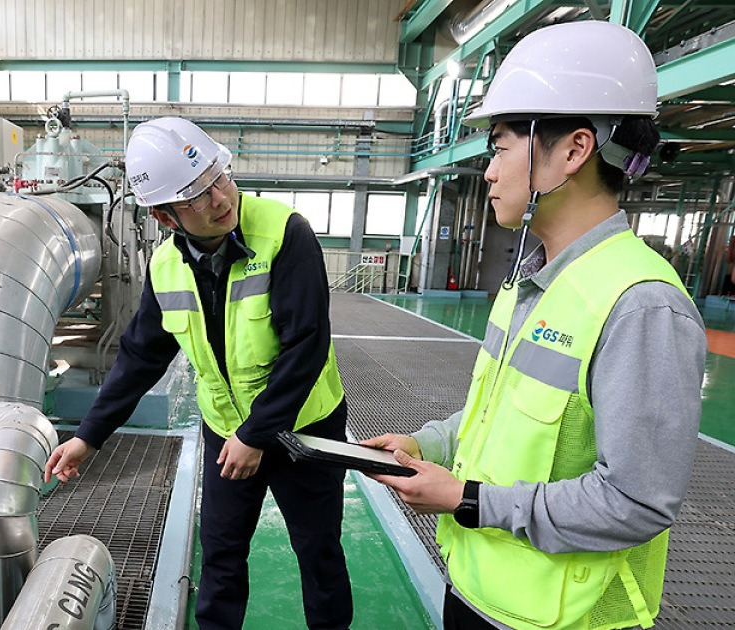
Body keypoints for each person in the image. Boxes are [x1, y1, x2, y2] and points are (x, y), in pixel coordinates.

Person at [363, 21, 707, 630]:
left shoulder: (641, 303)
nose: (489, 171)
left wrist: (467, 501)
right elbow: (495, 419)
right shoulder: (529, 279)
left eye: (499, 147)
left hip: (563, 617)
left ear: (574, 150)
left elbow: (635, 501)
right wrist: (429, 445)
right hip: (477, 585)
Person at [44, 117, 354, 629]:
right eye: (197, 194)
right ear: (166, 218)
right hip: (227, 431)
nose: (219, 198)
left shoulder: (285, 234)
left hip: (305, 430)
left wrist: (257, 434)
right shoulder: (165, 267)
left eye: (219, 176)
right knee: (221, 553)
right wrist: (89, 436)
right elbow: (141, 355)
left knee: (318, 552)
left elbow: (307, 346)